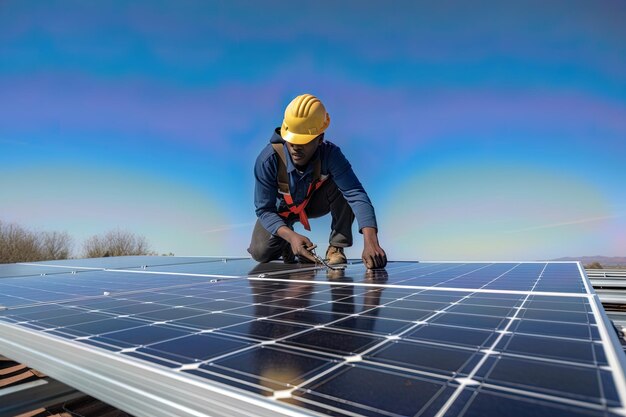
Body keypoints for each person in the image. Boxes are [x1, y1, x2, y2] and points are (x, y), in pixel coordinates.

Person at [247, 93, 387, 269]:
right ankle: (288, 244)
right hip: (279, 211)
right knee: (260, 252)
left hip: (313, 204)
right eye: (292, 141)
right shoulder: (268, 160)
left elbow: (355, 194)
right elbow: (265, 210)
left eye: (303, 141)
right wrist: (291, 237)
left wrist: (371, 241)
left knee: (345, 187)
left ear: (320, 139)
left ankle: (336, 247)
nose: (296, 147)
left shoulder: (331, 155)